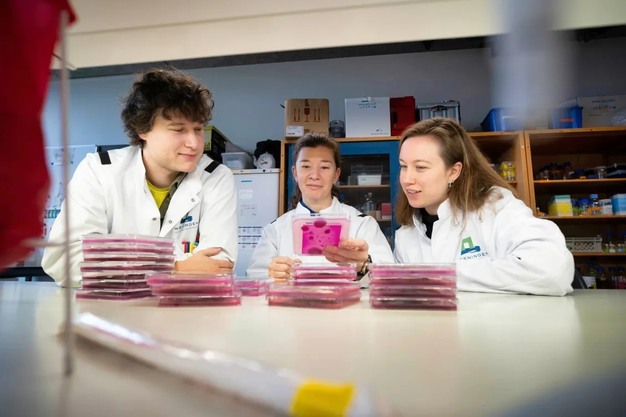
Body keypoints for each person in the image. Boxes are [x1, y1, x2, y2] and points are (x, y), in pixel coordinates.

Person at [42, 69, 237, 287]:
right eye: (178, 130)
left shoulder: (216, 177)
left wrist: (119, 264)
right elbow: (64, 260)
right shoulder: (99, 170)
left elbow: (219, 266)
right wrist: (175, 269)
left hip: (184, 307)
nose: (193, 143)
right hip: (109, 307)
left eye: (198, 129)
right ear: (143, 130)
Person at [393, 118, 574, 296]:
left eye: (421, 167)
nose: (407, 179)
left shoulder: (495, 207)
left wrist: (440, 276)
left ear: (453, 172)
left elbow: (552, 270)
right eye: (403, 166)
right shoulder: (406, 236)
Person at [246, 133, 394, 281]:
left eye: (324, 167)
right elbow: (255, 277)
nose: (315, 175)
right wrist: (272, 275)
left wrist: (364, 266)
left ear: (336, 174)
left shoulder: (363, 224)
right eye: (306, 166)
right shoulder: (275, 230)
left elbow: (388, 277)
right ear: (295, 173)